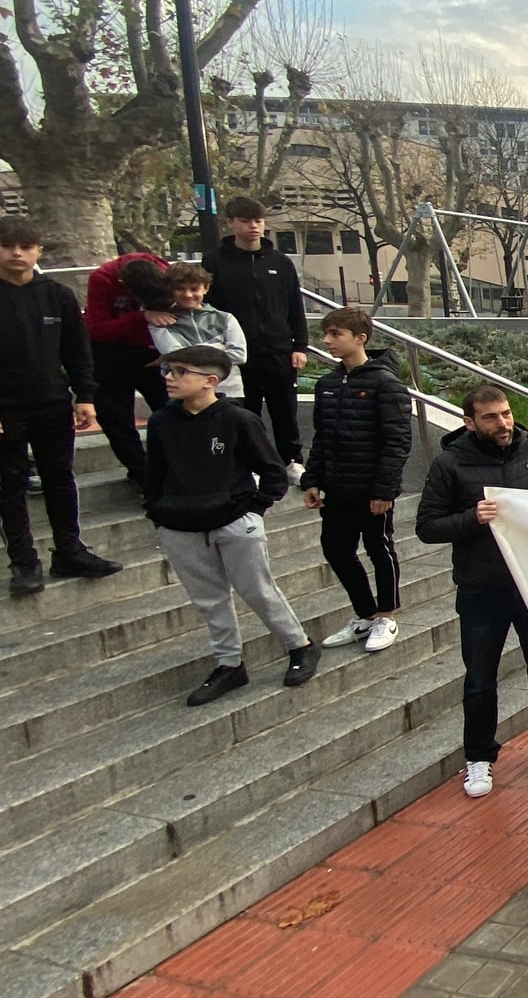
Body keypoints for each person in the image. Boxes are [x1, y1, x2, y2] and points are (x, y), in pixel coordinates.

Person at [416, 384, 528, 799]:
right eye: (491, 417)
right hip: (482, 589)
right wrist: (471, 518)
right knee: (480, 678)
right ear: (469, 422)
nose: (503, 423)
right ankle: (479, 757)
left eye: (506, 413)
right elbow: (427, 526)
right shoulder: (450, 464)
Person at [143, 345, 321, 706]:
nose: (169, 378)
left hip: (235, 522)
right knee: (209, 600)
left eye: (179, 372)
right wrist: (159, 513)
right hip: (180, 526)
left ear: (210, 381)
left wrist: (253, 513)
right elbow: (154, 474)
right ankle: (229, 665)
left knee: (258, 590)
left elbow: (273, 471)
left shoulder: (238, 420)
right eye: (168, 371)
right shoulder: (162, 421)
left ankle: (299, 646)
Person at [0, 217, 121, 595]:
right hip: (6, 407)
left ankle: (69, 550)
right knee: (10, 483)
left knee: (60, 477)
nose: (17, 253)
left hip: (53, 400)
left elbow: (77, 349)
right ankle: (23, 561)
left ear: (38, 250)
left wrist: (85, 395)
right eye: (7, 245)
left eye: (25, 245)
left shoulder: (57, 294)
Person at [301, 307, 412, 654]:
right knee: (336, 549)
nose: (328, 341)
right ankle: (363, 612)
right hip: (337, 488)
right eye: (327, 334)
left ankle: (385, 614)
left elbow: (397, 440)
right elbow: (322, 437)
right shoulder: (328, 384)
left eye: (336, 334)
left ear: (360, 338)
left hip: (371, 490)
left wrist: (384, 489)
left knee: (380, 548)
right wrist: (312, 479)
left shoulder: (385, 383)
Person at [206, 196, 310, 484]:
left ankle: (291, 461)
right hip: (238, 353)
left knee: (284, 410)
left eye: (258, 221)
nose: (253, 227)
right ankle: (251, 462)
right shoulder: (215, 261)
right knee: (245, 411)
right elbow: (210, 307)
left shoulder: (280, 262)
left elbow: (294, 307)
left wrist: (300, 345)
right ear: (231, 223)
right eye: (246, 221)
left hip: (278, 350)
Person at [84, 250, 173, 491]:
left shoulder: (167, 273)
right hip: (111, 354)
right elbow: (97, 328)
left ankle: (175, 468)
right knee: (116, 418)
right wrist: (142, 317)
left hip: (156, 351)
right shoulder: (103, 278)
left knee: (172, 410)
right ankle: (142, 475)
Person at [150, 263, 248, 400]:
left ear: (206, 288)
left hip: (229, 392)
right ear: (171, 290)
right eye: (180, 289)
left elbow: (240, 355)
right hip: (186, 395)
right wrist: (219, 348)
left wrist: (190, 354)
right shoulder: (161, 322)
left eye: (194, 289)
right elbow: (175, 356)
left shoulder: (225, 318)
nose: (188, 295)